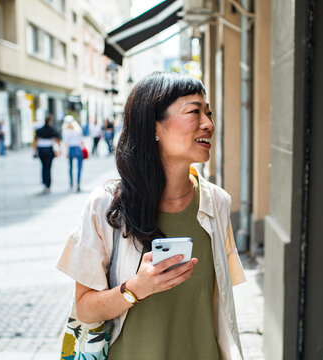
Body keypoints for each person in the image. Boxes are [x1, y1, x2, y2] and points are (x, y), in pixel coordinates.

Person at [56, 72, 246, 359]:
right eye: (194, 111)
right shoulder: (107, 206)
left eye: (208, 112)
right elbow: (84, 307)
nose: (209, 123)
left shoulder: (216, 203)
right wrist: (135, 289)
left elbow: (221, 309)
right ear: (153, 126)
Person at [32, 114, 61, 193]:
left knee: (44, 166)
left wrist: (34, 151)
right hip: (49, 150)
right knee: (48, 167)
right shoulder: (52, 129)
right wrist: (59, 149)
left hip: (41, 150)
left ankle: (45, 182)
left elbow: (36, 141)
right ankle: (48, 184)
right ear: (50, 121)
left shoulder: (40, 130)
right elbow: (57, 139)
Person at [62, 115, 85, 191]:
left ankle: (71, 182)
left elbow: (66, 143)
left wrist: (66, 152)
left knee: (70, 167)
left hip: (71, 149)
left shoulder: (65, 131)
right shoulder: (78, 129)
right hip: (78, 148)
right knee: (79, 167)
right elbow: (81, 141)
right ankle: (78, 183)